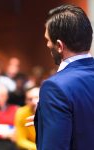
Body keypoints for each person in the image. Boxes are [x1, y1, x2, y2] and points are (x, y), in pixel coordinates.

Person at [34, 4, 94, 150]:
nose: (48, 44)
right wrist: (43, 119)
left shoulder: (54, 87)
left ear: (59, 46)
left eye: (48, 39)